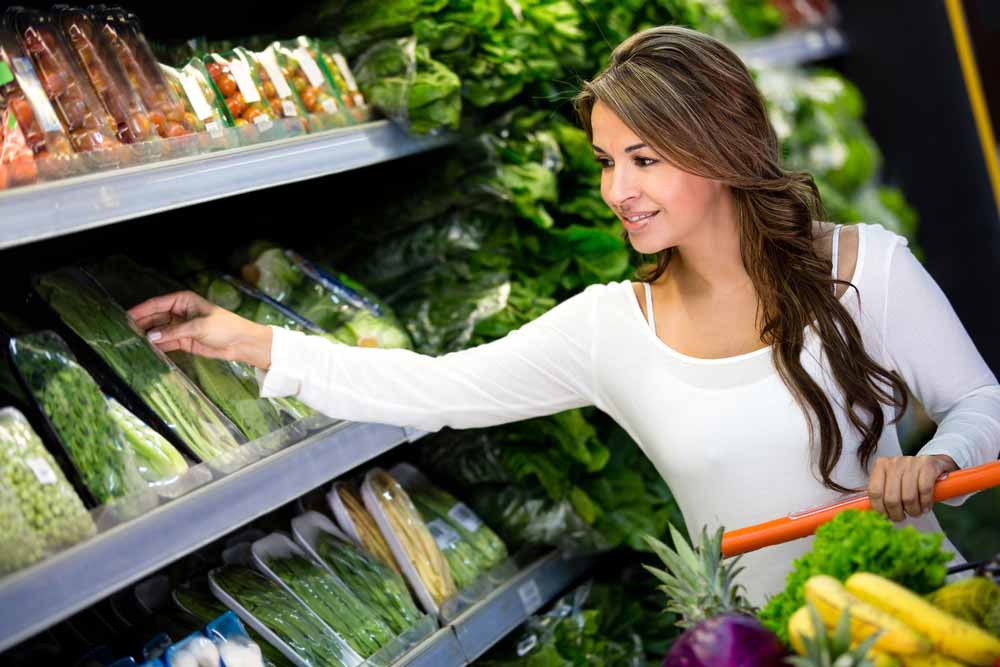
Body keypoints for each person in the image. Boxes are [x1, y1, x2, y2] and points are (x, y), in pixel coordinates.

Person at [129, 26, 1000, 604]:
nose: (618, 190)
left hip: (925, 620)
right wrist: (246, 338)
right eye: (605, 161)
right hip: (759, 648)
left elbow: (982, 404)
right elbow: (437, 388)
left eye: (645, 158)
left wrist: (943, 455)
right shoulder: (612, 328)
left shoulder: (865, 267)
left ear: (726, 148)